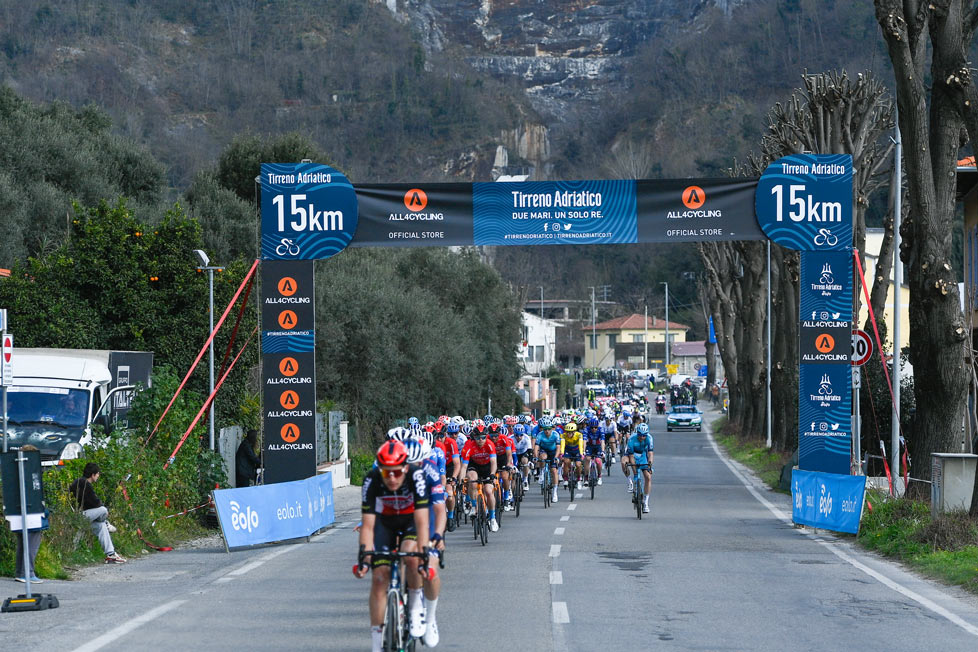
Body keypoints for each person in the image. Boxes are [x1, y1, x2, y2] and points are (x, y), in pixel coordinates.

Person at [354, 441, 432, 652]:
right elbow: (368, 525)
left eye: (396, 472)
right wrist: (364, 556)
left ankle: (416, 606)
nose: (391, 478)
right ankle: (376, 643)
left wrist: (424, 553)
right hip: (384, 524)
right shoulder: (371, 480)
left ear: (405, 468)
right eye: (386, 472)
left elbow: (423, 521)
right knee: (379, 577)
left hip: (410, 523)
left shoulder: (417, 477)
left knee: (412, 557)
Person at [68, 462, 126, 563]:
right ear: (93, 474)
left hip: (84, 515)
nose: (98, 476)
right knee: (103, 510)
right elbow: (95, 503)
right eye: (98, 474)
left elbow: (89, 503)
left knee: (100, 526)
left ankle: (110, 554)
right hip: (79, 516)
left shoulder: (79, 482)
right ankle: (107, 523)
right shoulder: (85, 484)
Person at [13, 445, 48, 583]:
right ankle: (28, 572)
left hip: (17, 513)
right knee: (31, 545)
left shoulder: (14, 471)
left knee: (22, 544)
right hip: (32, 513)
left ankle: (20, 571)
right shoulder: (31, 474)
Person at [623, 423, 654, 513]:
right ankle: (630, 481)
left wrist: (650, 464)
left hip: (642, 455)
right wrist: (635, 472)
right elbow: (631, 456)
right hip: (632, 454)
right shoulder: (632, 439)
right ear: (637, 433)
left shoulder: (649, 438)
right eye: (640, 435)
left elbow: (650, 453)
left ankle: (646, 502)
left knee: (648, 477)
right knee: (623, 462)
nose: (642, 437)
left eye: (644, 435)